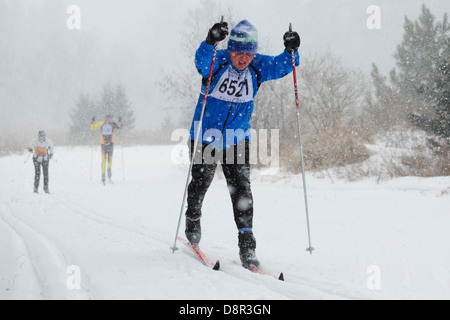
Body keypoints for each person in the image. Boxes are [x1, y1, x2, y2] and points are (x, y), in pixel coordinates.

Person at [185, 20, 300, 269]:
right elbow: (201, 63)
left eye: (248, 53)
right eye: (238, 52)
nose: (242, 59)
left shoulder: (258, 66)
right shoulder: (218, 60)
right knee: (200, 182)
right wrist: (209, 41)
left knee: (241, 191)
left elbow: (283, 65)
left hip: (236, 137)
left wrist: (291, 50)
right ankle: (193, 218)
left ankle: (247, 247)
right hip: (206, 133)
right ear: (230, 49)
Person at [90, 114, 122, 184]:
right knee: (104, 160)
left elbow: (119, 127)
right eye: (108, 118)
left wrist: (120, 121)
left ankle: (109, 171)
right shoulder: (101, 124)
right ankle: (103, 174)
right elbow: (92, 128)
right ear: (105, 118)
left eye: (110, 118)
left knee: (110, 160)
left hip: (110, 145)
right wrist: (92, 121)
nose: (109, 119)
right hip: (103, 145)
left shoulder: (113, 124)